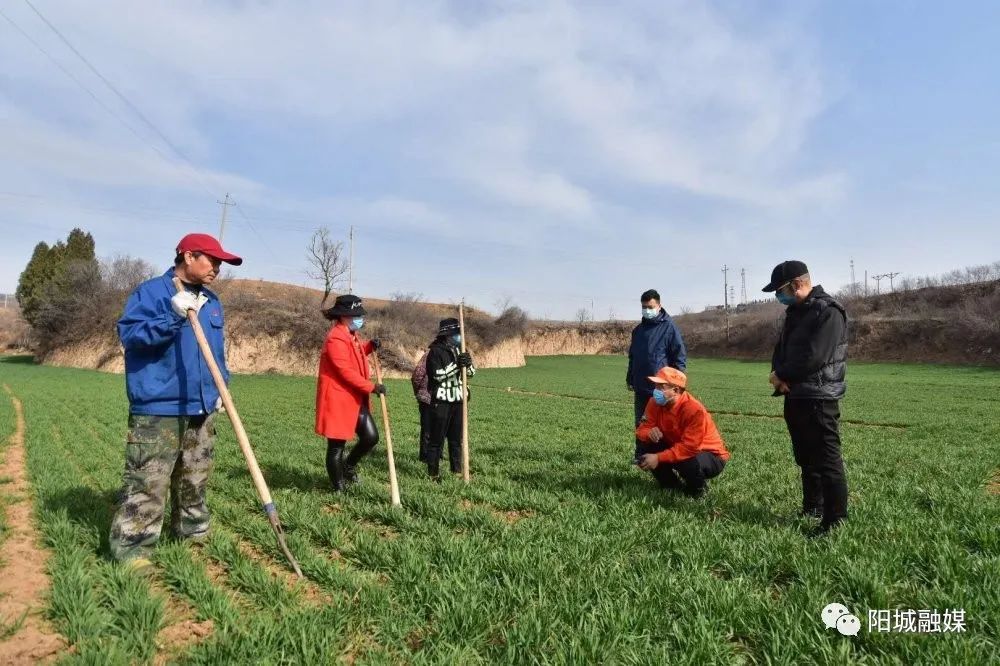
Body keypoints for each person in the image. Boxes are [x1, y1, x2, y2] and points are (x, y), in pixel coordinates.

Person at [108, 233, 243, 573]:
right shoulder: (152, 293)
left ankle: (192, 532)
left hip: (201, 407)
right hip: (159, 408)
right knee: (148, 481)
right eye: (211, 260)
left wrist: (220, 391)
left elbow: (215, 355)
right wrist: (171, 316)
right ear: (188, 255)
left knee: (195, 477)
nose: (217, 268)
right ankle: (133, 549)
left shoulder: (212, 303)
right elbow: (131, 336)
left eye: (220, 263)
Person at [763, 260, 849, 533]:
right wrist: (778, 375)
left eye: (780, 290)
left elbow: (815, 357)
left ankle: (835, 521)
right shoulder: (795, 312)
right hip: (795, 394)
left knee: (826, 458)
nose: (779, 296)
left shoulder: (828, 311)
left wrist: (783, 375)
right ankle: (813, 506)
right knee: (805, 456)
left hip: (820, 396)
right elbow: (782, 350)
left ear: (797, 283)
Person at [315, 294, 385, 492]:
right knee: (337, 446)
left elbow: (356, 352)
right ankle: (338, 487)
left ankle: (348, 466)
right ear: (344, 315)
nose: (360, 319)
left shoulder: (350, 335)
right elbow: (345, 371)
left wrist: (370, 346)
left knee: (371, 437)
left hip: (354, 399)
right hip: (338, 400)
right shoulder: (335, 338)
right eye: (356, 315)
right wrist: (372, 387)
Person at [635, 367, 729, 497]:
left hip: (711, 455)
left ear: (676, 390)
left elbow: (689, 448)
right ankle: (670, 485)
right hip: (678, 446)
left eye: (661, 387)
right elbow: (641, 430)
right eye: (656, 386)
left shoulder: (694, 410)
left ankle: (698, 490)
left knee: (686, 460)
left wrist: (658, 457)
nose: (656, 391)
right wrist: (649, 432)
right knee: (646, 446)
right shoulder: (654, 403)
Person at [626, 289, 687, 461]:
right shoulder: (637, 331)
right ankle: (640, 455)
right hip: (640, 385)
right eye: (644, 307)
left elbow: (679, 357)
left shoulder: (669, 328)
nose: (647, 310)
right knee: (641, 423)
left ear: (659, 305)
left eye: (650, 307)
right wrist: (630, 377)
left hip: (661, 388)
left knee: (664, 426)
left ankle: (665, 457)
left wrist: (678, 385)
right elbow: (633, 357)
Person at [424, 318, 475, 480]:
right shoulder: (435, 352)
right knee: (436, 440)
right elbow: (437, 375)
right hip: (441, 401)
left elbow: (471, 373)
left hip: (459, 401)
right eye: (455, 334)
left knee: (456, 439)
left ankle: (457, 470)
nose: (458, 336)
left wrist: (467, 364)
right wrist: (456, 366)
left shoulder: (461, 349)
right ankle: (433, 473)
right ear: (447, 335)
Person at [410, 349, 431, 462]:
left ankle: (433, 455)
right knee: (429, 429)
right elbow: (417, 375)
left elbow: (417, 375)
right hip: (428, 398)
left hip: (436, 398)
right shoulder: (429, 354)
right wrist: (420, 392)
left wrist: (418, 392)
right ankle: (425, 457)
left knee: (432, 430)